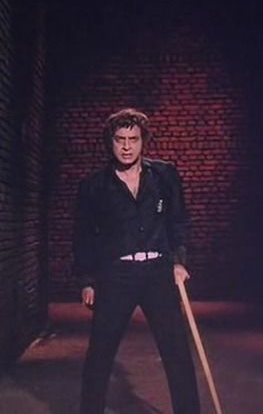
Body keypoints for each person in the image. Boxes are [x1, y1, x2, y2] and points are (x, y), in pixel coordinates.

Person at [73, 108, 200, 413]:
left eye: (133, 139)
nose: (127, 146)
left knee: (177, 352)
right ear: (110, 142)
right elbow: (84, 236)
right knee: (99, 354)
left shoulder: (165, 176)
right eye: (120, 140)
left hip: (158, 271)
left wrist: (178, 261)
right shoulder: (93, 186)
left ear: (144, 141)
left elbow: (177, 222)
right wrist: (87, 280)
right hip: (117, 275)